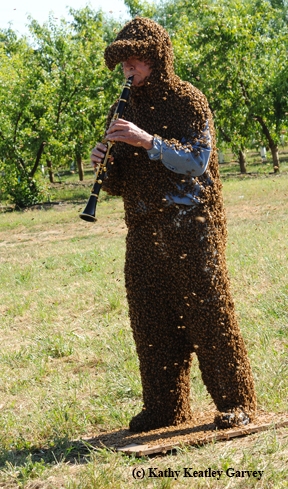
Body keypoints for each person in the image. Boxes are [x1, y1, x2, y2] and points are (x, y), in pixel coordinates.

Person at [91, 17, 257, 433]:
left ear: (156, 56)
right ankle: (165, 408)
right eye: (123, 60)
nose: (128, 67)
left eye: (135, 58)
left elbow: (196, 161)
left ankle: (236, 402)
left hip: (192, 227)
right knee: (152, 323)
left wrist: (147, 141)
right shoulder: (123, 106)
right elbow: (122, 180)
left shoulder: (189, 100)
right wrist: (105, 169)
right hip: (144, 231)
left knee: (209, 317)